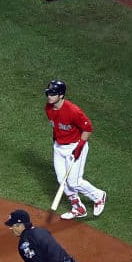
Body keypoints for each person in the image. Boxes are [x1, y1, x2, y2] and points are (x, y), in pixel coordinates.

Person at [44, 79, 107, 219]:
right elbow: (56, 126)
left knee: (74, 181)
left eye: (52, 94)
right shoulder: (48, 109)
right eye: (48, 93)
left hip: (75, 146)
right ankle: (77, 207)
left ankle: (98, 196)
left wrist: (80, 146)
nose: (49, 96)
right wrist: (56, 141)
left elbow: (88, 128)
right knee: (62, 179)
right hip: (59, 148)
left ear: (61, 95)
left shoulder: (73, 110)